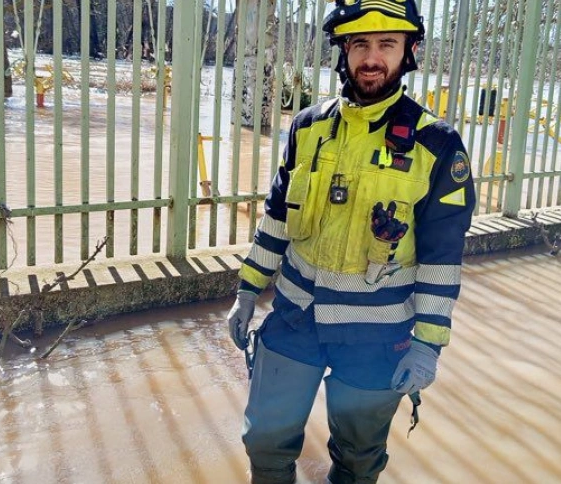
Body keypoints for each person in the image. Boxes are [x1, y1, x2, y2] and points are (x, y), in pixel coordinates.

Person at [227, 1, 476, 482]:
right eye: (359, 43)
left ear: (410, 52)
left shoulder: (437, 145)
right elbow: (277, 218)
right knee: (264, 440)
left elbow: (442, 262)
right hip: (295, 317)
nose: (372, 58)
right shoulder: (308, 127)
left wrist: (427, 345)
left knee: (358, 460)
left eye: (387, 44)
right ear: (344, 52)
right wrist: (246, 290)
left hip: (378, 337)